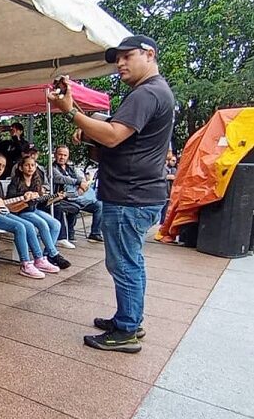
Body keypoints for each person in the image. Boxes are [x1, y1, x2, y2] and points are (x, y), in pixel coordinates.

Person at [47, 35, 174, 353]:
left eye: (127, 56)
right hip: (139, 194)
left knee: (124, 264)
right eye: (117, 58)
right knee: (132, 261)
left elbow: (115, 135)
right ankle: (129, 320)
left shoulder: (147, 93)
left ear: (149, 54)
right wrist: (89, 128)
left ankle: (127, 331)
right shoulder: (155, 91)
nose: (120, 63)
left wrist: (71, 112)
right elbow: (122, 143)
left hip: (130, 196)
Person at [0, 153, 62, 279]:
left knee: (29, 226)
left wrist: (22, 202)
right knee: (19, 226)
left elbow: (5, 204)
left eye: (3, 166)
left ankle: (39, 259)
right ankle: (25, 264)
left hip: (1, 212)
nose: (0, 169)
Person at [6, 156, 71, 270]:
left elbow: (40, 202)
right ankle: (53, 254)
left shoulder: (36, 181)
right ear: (21, 168)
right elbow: (10, 199)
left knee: (56, 224)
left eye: (32, 165)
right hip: (21, 211)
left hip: (33, 209)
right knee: (43, 224)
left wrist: (55, 198)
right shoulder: (15, 181)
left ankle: (47, 255)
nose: (30, 168)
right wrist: (25, 196)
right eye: (27, 165)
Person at [51, 144, 103, 245]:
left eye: (65, 155)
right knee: (74, 207)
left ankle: (95, 233)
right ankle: (70, 233)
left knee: (99, 205)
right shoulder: (52, 168)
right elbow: (61, 179)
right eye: (60, 154)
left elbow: (80, 178)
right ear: (55, 154)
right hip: (63, 196)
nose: (62, 157)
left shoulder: (70, 168)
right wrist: (79, 182)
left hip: (78, 195)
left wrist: (81, 185)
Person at [161, 151, 177, 224]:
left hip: (170, 194)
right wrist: (167, 177)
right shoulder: (163, 169)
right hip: (163, 193)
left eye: (175, 161)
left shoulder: (174, 170)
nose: (174, 162)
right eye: (173, 160)